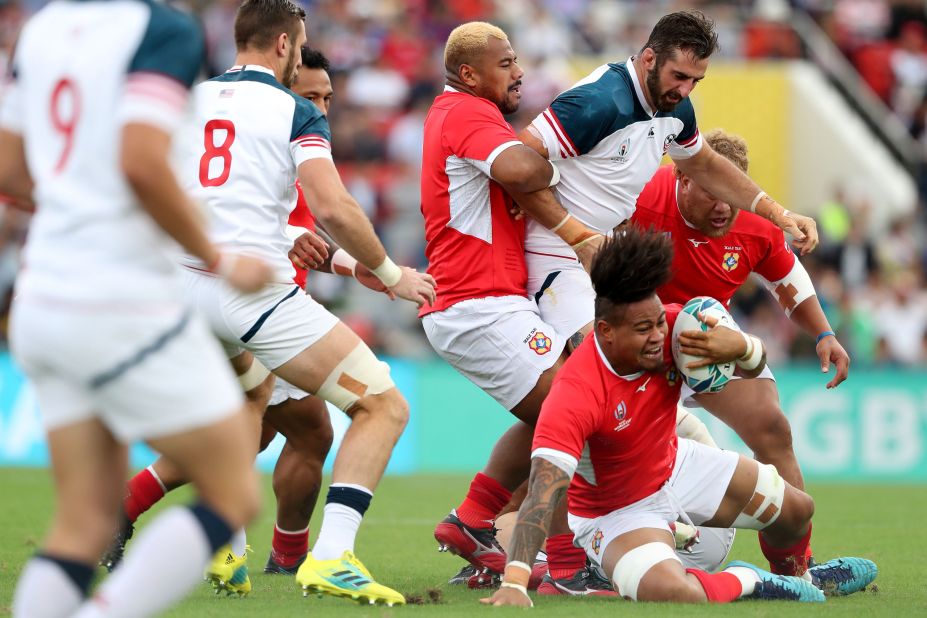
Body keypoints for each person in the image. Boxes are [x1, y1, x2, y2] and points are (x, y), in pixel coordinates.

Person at [1, 0, 273, 615]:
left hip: (42, 295)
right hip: (117, 298)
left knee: (84, 519)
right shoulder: (162, 29)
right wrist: (222, 259)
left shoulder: (41, 28)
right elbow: (141, 161)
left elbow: (10, 168)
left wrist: (78, 200)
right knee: (232, 488)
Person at [177, 0, 436, 606]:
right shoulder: (294, 109)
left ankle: (227, 540)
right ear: (285, 46)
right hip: (249, 292)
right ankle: (332, 557)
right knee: (383, 406)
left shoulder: (186, 100)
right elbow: (333, 206)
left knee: (248, 401)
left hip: (182, 288)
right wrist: (389, 273)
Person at [483, 227, 876, 607]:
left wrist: (743, 346)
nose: (657, 335)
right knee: (676, 591)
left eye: (657, 322)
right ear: (604, 332)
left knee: (797, 510)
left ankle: (799, 579)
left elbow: (754, 371)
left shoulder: (678, 329)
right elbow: (541, 493)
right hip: (616, 513)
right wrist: (516, 581)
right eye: (643, 329)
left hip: (677, 466)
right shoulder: (575, 392)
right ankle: (752, 580)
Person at [101, 47, 376, 588]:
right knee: (286, 428)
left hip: (234, 298)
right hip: (249, 305)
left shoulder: (280, 140)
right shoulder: (276, 134)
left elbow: (298, 234)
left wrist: (344, 264)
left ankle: (257, 551)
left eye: (326, 96)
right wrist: (374, 267)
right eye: (310, 94)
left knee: (278, 431)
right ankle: (265, 550)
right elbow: (275, 228)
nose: (319, 104)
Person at [419, 21, 609, 594]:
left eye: (516, 61)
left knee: (556, 412)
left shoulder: (458, 114)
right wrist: (554, 162)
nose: (518, 72)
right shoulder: (466, 114)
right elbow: (524, 170)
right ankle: (566, 565)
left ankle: (474, 521)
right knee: (571, 414)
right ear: (469, 73)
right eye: (505, 64)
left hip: (486, 303)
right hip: (479, 303)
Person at [632, 129, 850, 493]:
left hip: (708, 340)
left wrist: (824, 334)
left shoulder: (755, 222)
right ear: (682, 176)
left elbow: (787, 281)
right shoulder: (639, 196)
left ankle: (796, 553)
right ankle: (517, 523)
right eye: (712, 192)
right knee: (575, 432)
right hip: (636, 343)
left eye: (732, 194)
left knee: (773, 427)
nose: (723, 207)